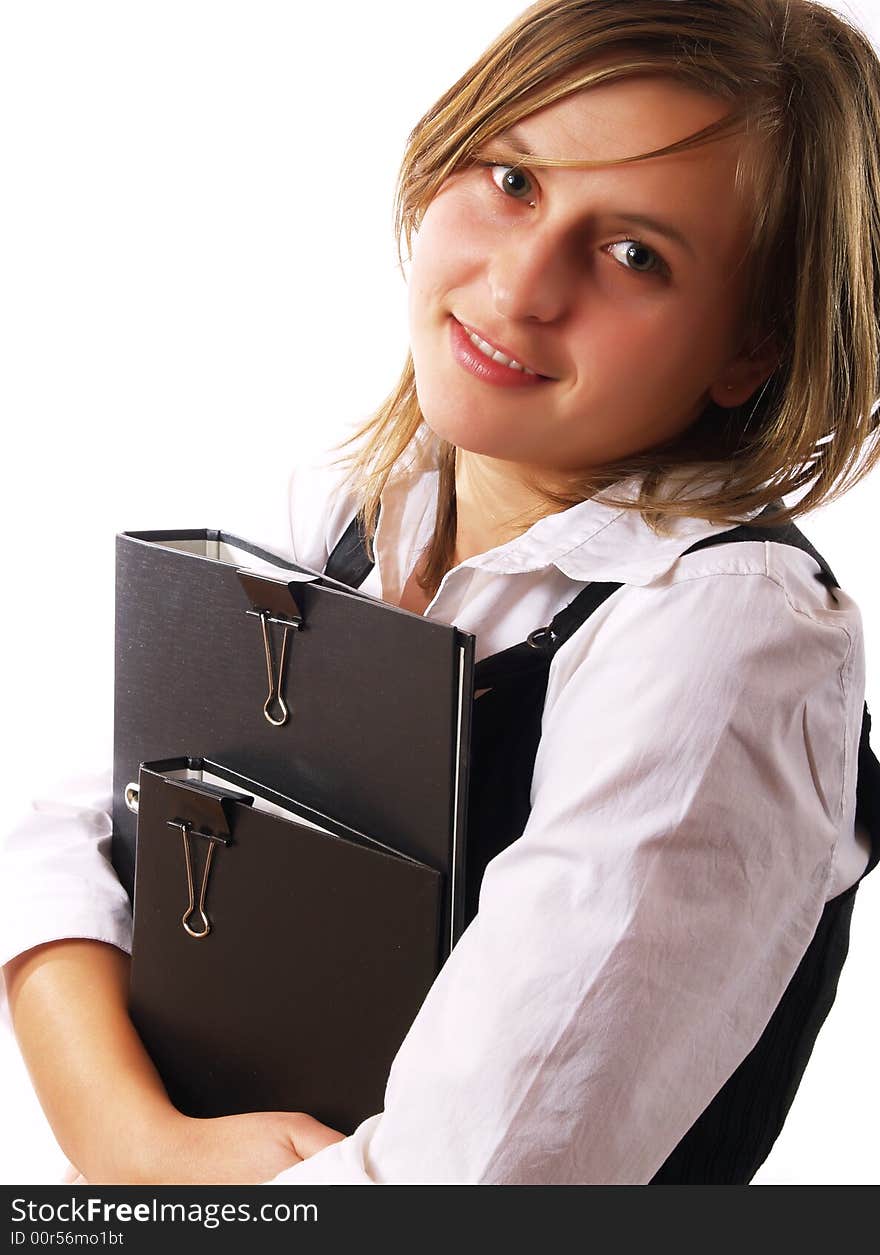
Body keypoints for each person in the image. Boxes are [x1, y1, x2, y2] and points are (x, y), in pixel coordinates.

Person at [2, 0, 880, 1185]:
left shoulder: (726, 634)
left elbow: (465, 1183)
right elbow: (59, 836)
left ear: (749, 349)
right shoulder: (354, 496)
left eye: (635, 255)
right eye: (514, 180)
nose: (521, 287)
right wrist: (135, 1145)